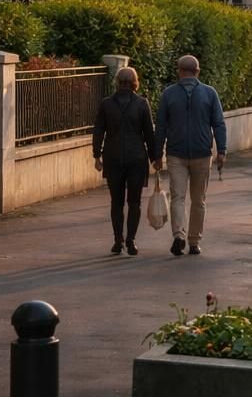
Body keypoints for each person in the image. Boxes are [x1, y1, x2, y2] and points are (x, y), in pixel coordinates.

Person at [154, 55, 227, 256]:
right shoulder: (210, 93)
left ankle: (179, 235)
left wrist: (157, 154)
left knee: (177, 197)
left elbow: (160, 127)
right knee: (198, 200)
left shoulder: (168, 94)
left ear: (179, 71)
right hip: (202, 153)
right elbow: (218, 124)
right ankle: (194, 241)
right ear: (198, 71)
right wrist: (221, 151)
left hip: (176, 154)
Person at [92, 66, 158, 256]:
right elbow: (149, 133)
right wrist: (155, 158)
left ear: (117, 82)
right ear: (135, 82)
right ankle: (131, 240)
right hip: (136, 157)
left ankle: (117, 240)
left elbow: (98, 130)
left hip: (112, 157)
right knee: (134, 202)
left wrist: (96, 155)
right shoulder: (142, 104)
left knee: (116, 202)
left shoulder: (106, 104)